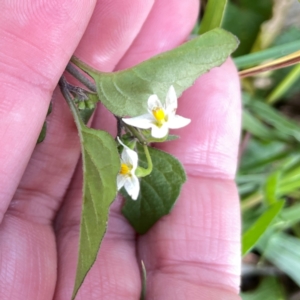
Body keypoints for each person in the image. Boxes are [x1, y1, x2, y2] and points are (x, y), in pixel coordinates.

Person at [0, 1, 241, 299]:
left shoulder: (130, 157)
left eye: (126, 168)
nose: (159, 115)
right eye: (127, 168)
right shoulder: (143, 128)